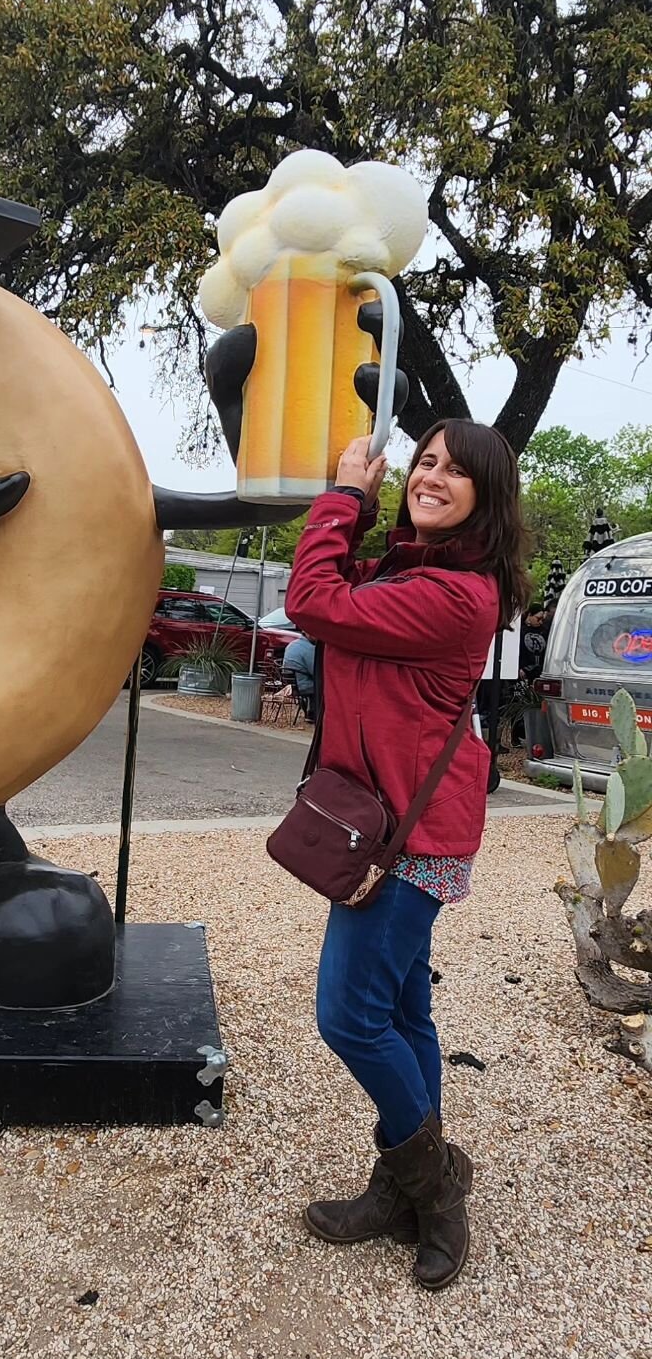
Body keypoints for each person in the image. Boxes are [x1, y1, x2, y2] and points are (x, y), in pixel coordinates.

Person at [283, 419, 531, 1292]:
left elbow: (311, 604)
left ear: (486, 497)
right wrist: (365, 515)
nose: (432, 477)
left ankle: (436, 1189)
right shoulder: (413, 569)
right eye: (424, 462)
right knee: (402, 1014)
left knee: (349, 1019)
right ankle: (403, 1188)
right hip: (386, 822)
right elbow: (334, 592)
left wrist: (346, 495)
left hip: (407, 838)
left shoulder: (459, 594)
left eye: (455, 473)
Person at [280, 633, 316, 712]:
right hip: (302, 686)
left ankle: (308, 709)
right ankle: (313, 713)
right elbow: (315, 671)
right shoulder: (309, 649)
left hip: (290, 685)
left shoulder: (292, 644)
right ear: (308, 634)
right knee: (322, 685)